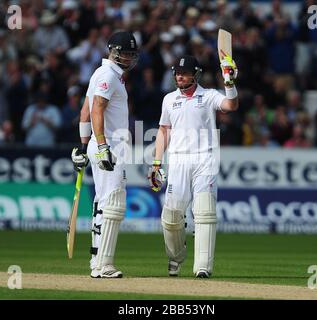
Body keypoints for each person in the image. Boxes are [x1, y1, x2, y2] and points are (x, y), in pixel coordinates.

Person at [148, 55, 239, 278]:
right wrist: (156, 163)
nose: (179, 76)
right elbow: (163, 131)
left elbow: (231, 105)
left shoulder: (208, 96)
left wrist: (229, 82)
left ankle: (202, 267)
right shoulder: (169, 99)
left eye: (185, 72)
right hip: (177, 159)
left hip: (204, 158)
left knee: (204, 211)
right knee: (171, 216)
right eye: (177, 72)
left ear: (195, 74)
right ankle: (176, 258)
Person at [71, 31, 138, 278]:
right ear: (114, 51)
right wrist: (100, 146)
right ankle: (104, 264)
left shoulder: (104, 74)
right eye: (126, 53)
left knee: (103, 202)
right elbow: (96, 109)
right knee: (113, 202)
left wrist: (83, 144)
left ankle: (97, 261)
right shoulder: (108, 75)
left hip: (104, 143)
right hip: (108, 144)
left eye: (132, 54)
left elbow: (84, 112)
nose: (129, 58)